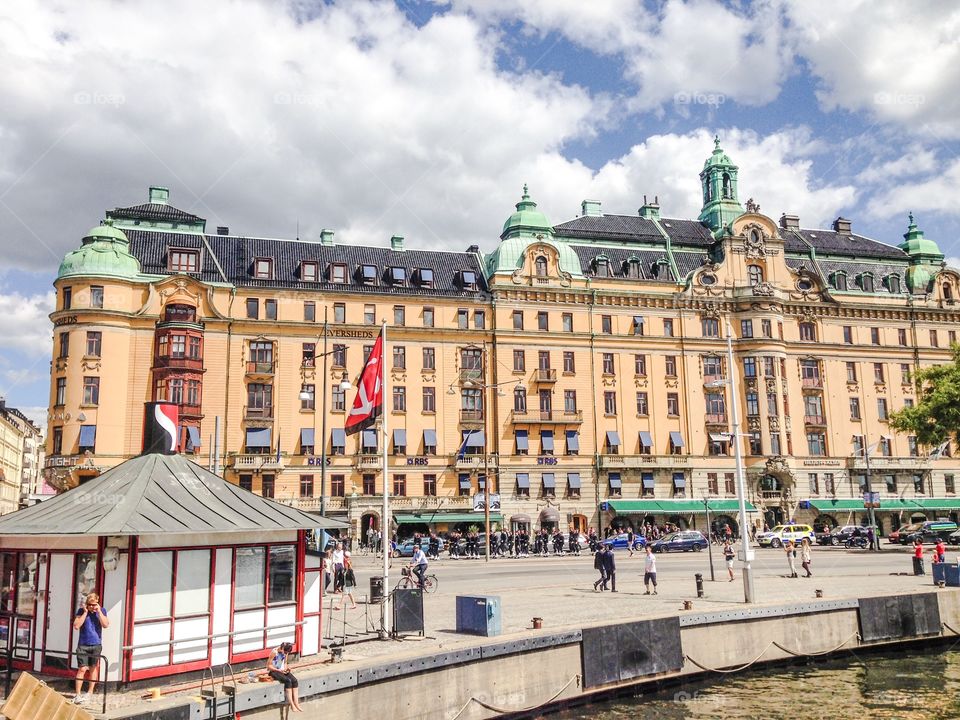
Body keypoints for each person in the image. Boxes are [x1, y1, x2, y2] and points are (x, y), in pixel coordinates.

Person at [72, 592, 109, 704]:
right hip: (83, 644)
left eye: (95, 604)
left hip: (96, 644)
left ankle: (89, 693)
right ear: (87, 604)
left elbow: (106, 624)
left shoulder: (101, 611)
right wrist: (85, 613)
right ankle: (78, 694)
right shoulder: (81, 611)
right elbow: (76, 626)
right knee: (82, 669)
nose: (92, 607)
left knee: (93, 668)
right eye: (90, 604)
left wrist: (98, 612)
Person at [267, 642, 303, 712]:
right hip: (274, 671)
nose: (286, 654)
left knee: (294, 680)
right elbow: (268, 666)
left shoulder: (285, 653)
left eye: (287, 653)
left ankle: (296, 703)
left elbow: (285, 663)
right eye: (285, 652)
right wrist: (278, 670)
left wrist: (286, 668)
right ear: (282, 648)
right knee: (288, 681)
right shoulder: (274, 652)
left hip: (281, 670)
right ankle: (292, 704)